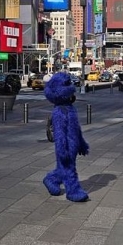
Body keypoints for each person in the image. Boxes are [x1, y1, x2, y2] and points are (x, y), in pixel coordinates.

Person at [42, 72, 90, 202]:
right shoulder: (59, 111)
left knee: (64, 168)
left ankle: (51, 179)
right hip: (66, 146)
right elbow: (59, 133)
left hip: (73, 145)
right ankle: (74, 191)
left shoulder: (70, 108)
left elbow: (76, 128)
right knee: (70, 169)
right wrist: (62, 149)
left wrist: (82, 144)